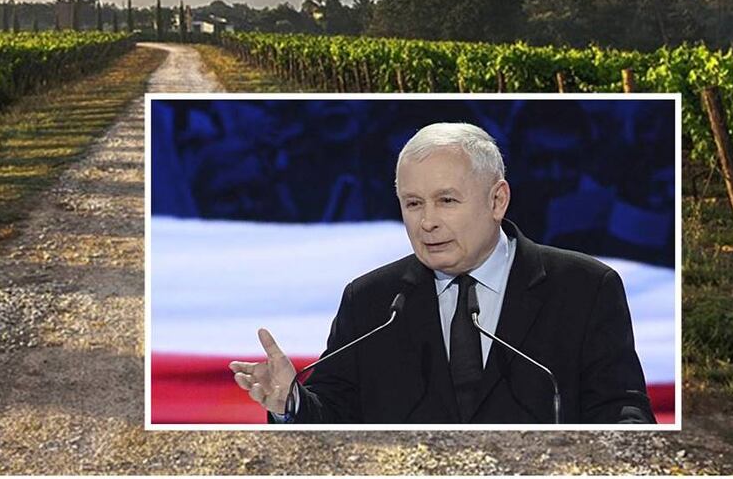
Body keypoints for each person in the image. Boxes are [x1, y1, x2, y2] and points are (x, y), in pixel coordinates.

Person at [228, 122, 655, 424]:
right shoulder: (372, 301)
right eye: (413, 204)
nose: (426, 221)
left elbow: (624, 414)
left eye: (446, 200)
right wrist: (291, 403)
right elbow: (335, 415)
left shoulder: (585, 288)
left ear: (497, 200)